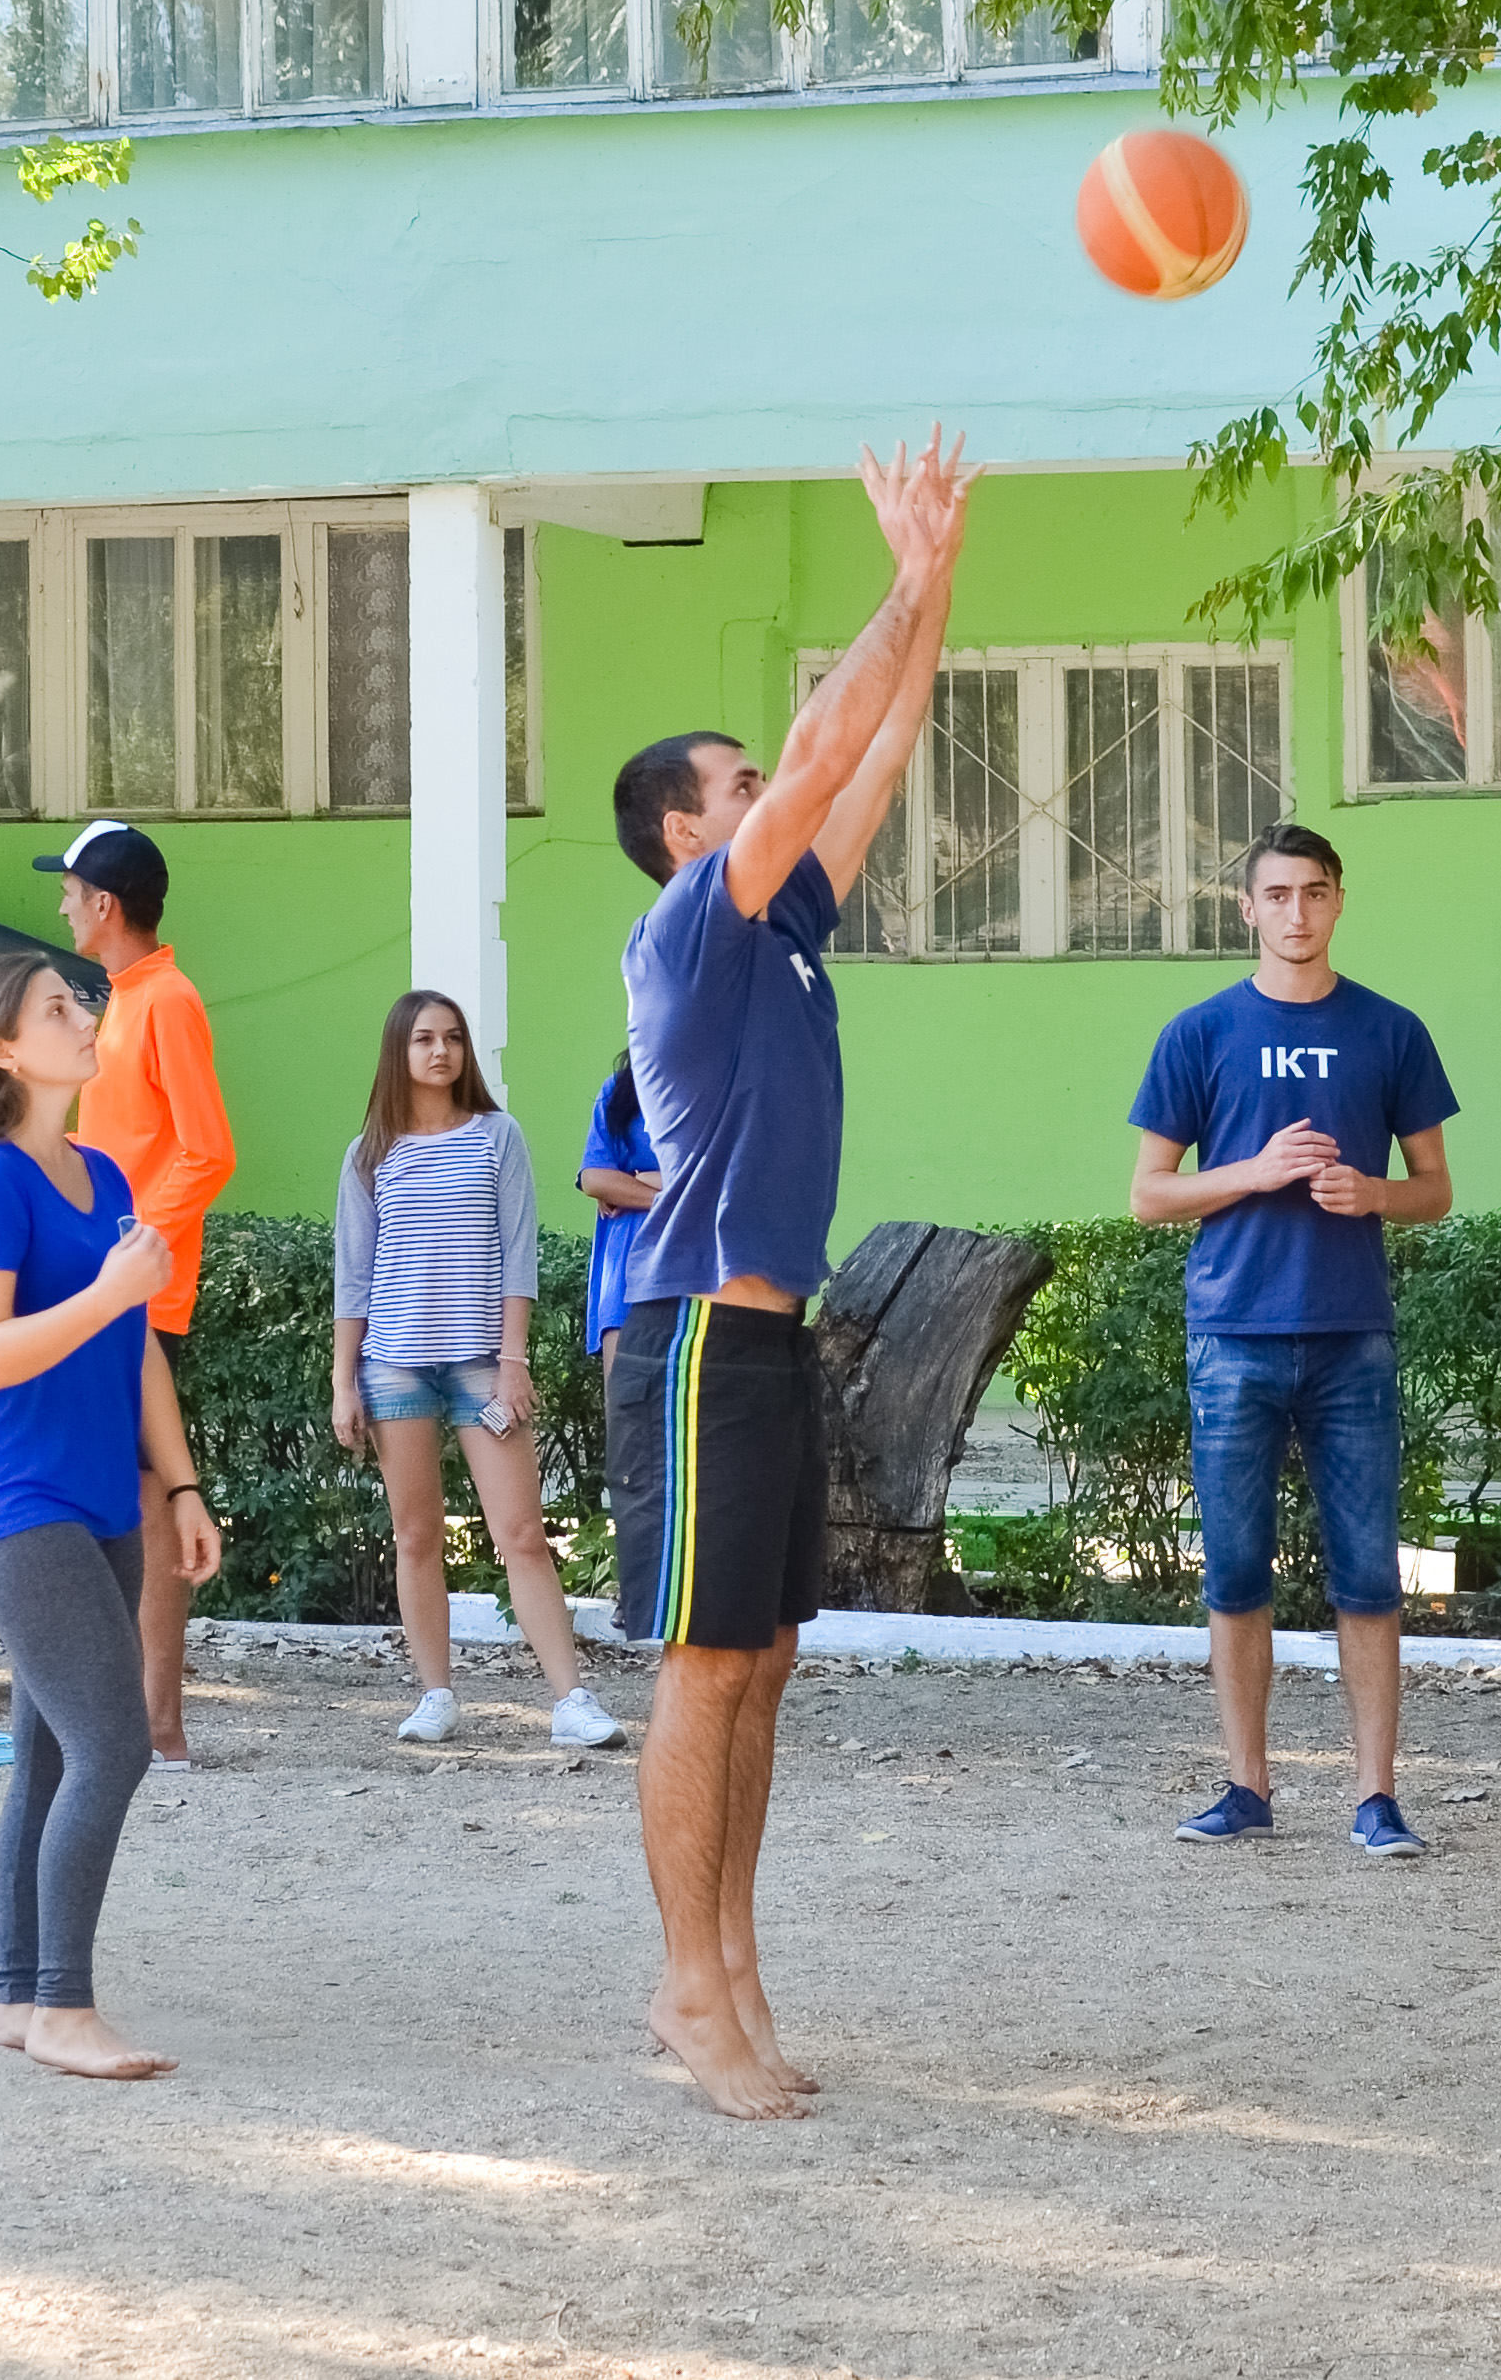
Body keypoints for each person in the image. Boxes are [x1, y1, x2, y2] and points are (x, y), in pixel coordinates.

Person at [606, 420, 972, 2120]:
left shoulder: (784, 938)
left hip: (765, 1344)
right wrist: (894, 581)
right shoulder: (688, 925)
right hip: (688, 1339)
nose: (773, 789)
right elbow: (832, 742)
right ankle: (686, 1987)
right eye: (739, 782)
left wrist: (936, 579)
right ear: (685, 830)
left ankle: (734, 1965)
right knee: (702, 1667)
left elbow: (874, 749)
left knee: (759, 1663)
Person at [0, 951, 225, 2080]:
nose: (84, 1014)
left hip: (103, 1500)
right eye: (57, 1007)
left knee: (53, 1756)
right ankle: (63, 2005)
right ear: (5, 1049)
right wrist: (109, 1289)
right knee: (114, 1745)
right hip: (13, 1506)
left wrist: (182, 1486)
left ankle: (15, 1999)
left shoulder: (102, 1174)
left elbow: (137, 1350)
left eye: (79, 1000)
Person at [1124, 822, 1457, 1858]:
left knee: (1368, 1575)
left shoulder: (1390, 1030)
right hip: (1233, 1335)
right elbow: (1148, 1194)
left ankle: (1376, 1796)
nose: (1297, 912)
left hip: (1352, 1336)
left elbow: (1435, 1189)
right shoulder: (1198, 1032)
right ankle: (1246, 1785)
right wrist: (1255, 1171)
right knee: (1234, 1573)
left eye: (1313, 892)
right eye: (1276, 895)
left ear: (1338, 900)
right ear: (1247, 909)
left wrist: (1372, 1193)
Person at [332, 989, 620, 1750]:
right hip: (393, 1366)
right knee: (416, 1535)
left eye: (453, 1038)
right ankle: (436, 1695)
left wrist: (514, 1361)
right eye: (424, 1038)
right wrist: (341, 1382)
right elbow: (353, 1279)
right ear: (398, 1051)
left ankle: (572, 1700)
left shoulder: (497, 1136)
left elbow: (518, 1256)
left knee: (521, 1533)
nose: (441, 1051)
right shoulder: (368, 1153)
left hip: (482, 1367)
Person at [45, 821, 235, 1772]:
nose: (61, 906)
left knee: (153, 1503)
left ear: (104, 903)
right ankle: (131, 1720)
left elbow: (208, 1149)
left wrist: (126, 1249)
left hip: (139, 1300)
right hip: (116, 1291)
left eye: (69, 891)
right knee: (125, 1499)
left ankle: (159, 1725)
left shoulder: (166, 1000)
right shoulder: (122, 1000)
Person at [576, 1051, 659, 1388]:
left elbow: (721, 1176)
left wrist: (631, 1183)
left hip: (701, 1279)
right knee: (627, 1411)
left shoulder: (719, 1087)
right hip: (625, 1278)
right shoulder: (621, 1089)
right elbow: (594, 1178)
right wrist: (673, 1195)